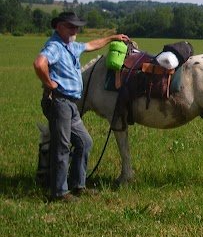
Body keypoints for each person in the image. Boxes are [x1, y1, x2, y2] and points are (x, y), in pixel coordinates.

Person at [33, 11, 130, 202]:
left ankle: (78, 185)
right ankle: (59, 193)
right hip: (60, 102)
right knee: (61, 147)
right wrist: (49, 83)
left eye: (76, 26)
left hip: (71, 104)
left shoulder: (70, 46)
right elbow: (39, 63)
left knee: (85, 142)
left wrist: (112, 38)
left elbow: (91, 45)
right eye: (70, 26)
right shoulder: (55, 47)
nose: (75, 29)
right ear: (59, 26)